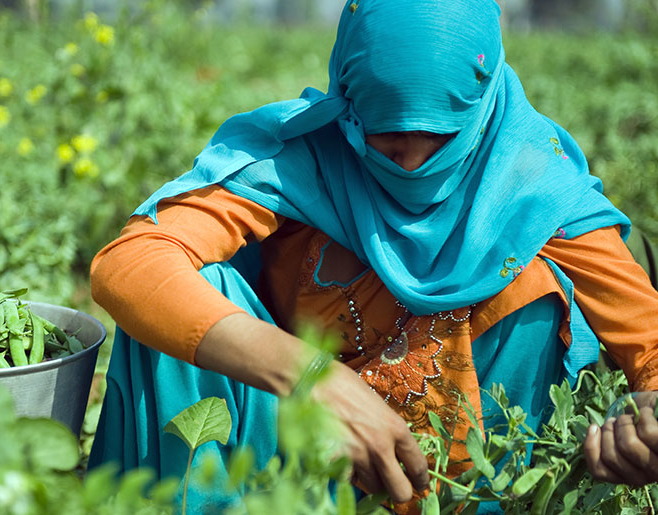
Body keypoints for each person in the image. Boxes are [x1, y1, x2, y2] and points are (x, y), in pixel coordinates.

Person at [87, 0, 658, 512]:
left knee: (534, 287)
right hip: (280, 478)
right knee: (183, 298)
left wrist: (646, 428)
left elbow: (650, 348)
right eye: (384, 136)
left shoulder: (531, 187)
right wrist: (310, 377)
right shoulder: (302, 160)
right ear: (348, 101)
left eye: (439, 139)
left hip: (466, 485)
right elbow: (132, 264)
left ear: (482, 108)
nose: (410, 162)